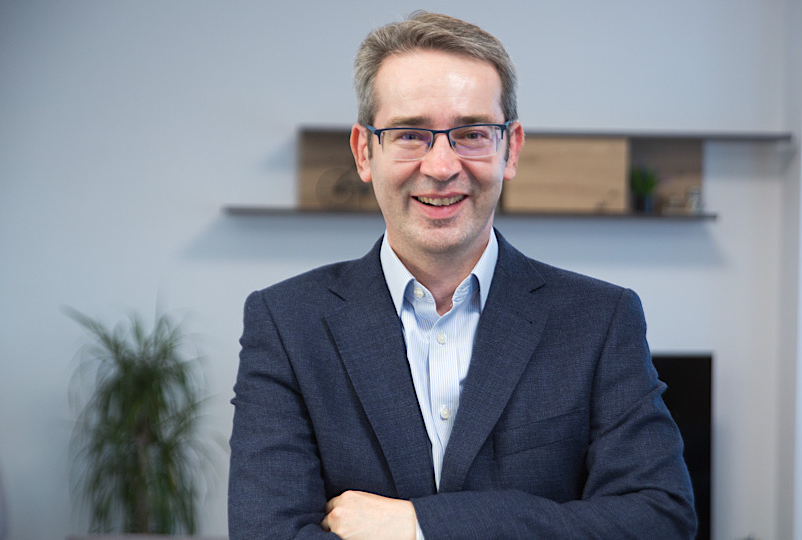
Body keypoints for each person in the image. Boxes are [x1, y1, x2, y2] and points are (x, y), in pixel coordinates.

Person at [229, 11, 696, 540]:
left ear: (511, 149)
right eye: (410, 134)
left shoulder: (600, 320)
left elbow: (658, 519)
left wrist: (422, 526)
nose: (442, 166)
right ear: (364, 152)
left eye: (472, 133)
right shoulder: (286, 324)